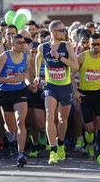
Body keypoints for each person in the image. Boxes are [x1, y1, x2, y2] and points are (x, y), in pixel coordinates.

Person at [34, 20, 78, 164]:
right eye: (62, 30)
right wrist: (36, 75)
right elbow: (37, 59)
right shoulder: (43, 47)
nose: (65, 32)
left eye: (65, 30)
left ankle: (60, 145)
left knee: (62, 119)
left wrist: (59, 57)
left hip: (65, 87)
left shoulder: (67, 46)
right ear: (53, 32)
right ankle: (52, 150)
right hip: (50, 86)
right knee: (49, 116)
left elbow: (75, 66)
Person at [0, 33, 36, 167]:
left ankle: (20, 154)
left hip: (19, 92)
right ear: (12, 44)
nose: (22, 45)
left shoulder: (26, 58)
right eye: (18, 43)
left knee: (20, 122)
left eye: (23, 42)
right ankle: (8, 132)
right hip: (5, 93)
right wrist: (10, 79)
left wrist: (29, 84)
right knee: (11, 128)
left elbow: (25, 75)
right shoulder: (4, 56)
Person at [72, 33, 100, 165]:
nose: (96, 46)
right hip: (85, 95)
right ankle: (90, 145)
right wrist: (75, 91)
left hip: (98, 94)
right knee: (89, 128)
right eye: (93, 44)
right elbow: (70, 74)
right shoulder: (82, 57)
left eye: (99, 44)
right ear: (88, 44)